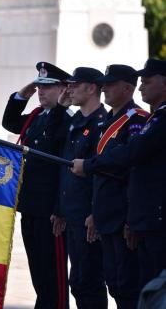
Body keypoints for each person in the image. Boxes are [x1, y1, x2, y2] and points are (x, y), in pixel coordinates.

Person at [71, 58, 166, 292]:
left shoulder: (145, 119)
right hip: (127, 216)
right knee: (118, 284)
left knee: (133, 287)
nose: (142, 86)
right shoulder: (149, 118)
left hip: (145, 218)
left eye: (147, 81)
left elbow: (131, 156)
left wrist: (91, 165)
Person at [2, 62, 71, 309]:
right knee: (39, 275)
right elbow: (9, 121)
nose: (41, 92)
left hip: (51, 212)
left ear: (65, 90)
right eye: (39, 86)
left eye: (48, 87)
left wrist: (59, 209)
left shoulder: (67, 121)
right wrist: (26, 91)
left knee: (54, 278)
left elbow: (63, 169)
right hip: (30, 207)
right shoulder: (36, 117)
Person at [90, 64, 147, 309]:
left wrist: (130, 218)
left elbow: (134, 172)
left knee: (127, 286)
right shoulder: (109, 120)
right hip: (106, 215)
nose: (104, 89)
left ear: (127, 88)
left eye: (110, 84)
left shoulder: (136, 120)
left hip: (122, 216)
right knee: (113, 282)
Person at [54, 67, 108, 308]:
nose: (70, 89)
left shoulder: (102, 124)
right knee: (76, 281)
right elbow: (62, 164)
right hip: (72, 213)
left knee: (89, 281)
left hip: (88, 217)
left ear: (92, 88)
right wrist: (60, 208)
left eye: (76, 85)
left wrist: (96, 212)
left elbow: (103, 174)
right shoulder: (76, 120)